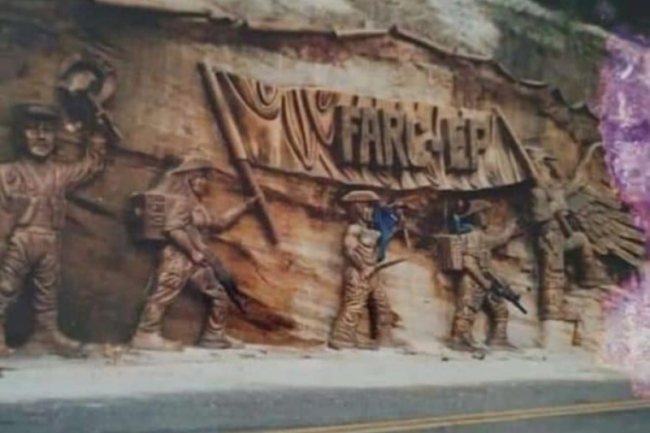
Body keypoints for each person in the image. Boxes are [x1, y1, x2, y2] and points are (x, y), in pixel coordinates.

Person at [0, 103, 107, 357]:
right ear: (20, 135)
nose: (40, 136)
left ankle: (45, 335)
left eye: (47, 131)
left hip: (49, 240)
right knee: (5, 288)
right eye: (33, 130)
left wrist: (98, 133)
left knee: (48, 292)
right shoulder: (7, 173)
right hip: (18, 239)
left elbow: (91, 166)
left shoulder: (59, 173)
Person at [131, 155, 257, 351]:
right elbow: (173, 229)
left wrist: (244, 207)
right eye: (200, 179)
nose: (204, 183)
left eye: (205, 179)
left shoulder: (198, 206)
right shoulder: (182, 202)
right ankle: (145, 334)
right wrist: (192, 252)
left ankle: (213, 336)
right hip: (178, 257)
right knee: (164, 293)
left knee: (218, 294)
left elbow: (218, 223)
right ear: (190, 180)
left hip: (196, 259)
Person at [329, 190, 398, 350]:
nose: (371, 212)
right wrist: (363, 267)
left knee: (382, 306)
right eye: (368, 208)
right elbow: (349, 250)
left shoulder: (370, 229)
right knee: (354, 305)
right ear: (359, 208)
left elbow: (383, 237)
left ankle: (384, 339)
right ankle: (342, 338)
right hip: (358, 273)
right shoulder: (354, 229)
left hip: (373, 274)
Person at [447, 199, 519, 353]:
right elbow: (468, 262)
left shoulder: (479, 235)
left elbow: (497, 240)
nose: (485, 217)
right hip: (473, 280)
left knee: (500, 308)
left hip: (485, 279)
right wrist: (483, 281)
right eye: (482, 214)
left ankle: (499, 339)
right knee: (467, 310)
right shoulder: (471, 236)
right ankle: (459, 338)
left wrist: (511, 227)